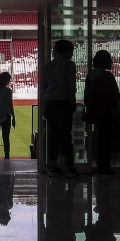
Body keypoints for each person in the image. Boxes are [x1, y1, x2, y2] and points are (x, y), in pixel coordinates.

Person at [43, 40, 78, 178]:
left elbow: (44, 85)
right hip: (64, 102)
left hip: (50, 102)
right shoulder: (69, 65)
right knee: (66, 135)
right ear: (68, 51)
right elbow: (71, 85)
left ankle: (53, 166)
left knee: (53, 135)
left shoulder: (49, 65)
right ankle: (70, 167)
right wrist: (73, 101)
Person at [83, 50, 120, 175]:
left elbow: (86, 95)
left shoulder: (90, 75)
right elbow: (115, 95)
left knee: (97, 138)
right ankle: (104, 166)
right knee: (105, 140)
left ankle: (98, 163)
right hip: (106, 111)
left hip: (94, 110)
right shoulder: (107, 76)